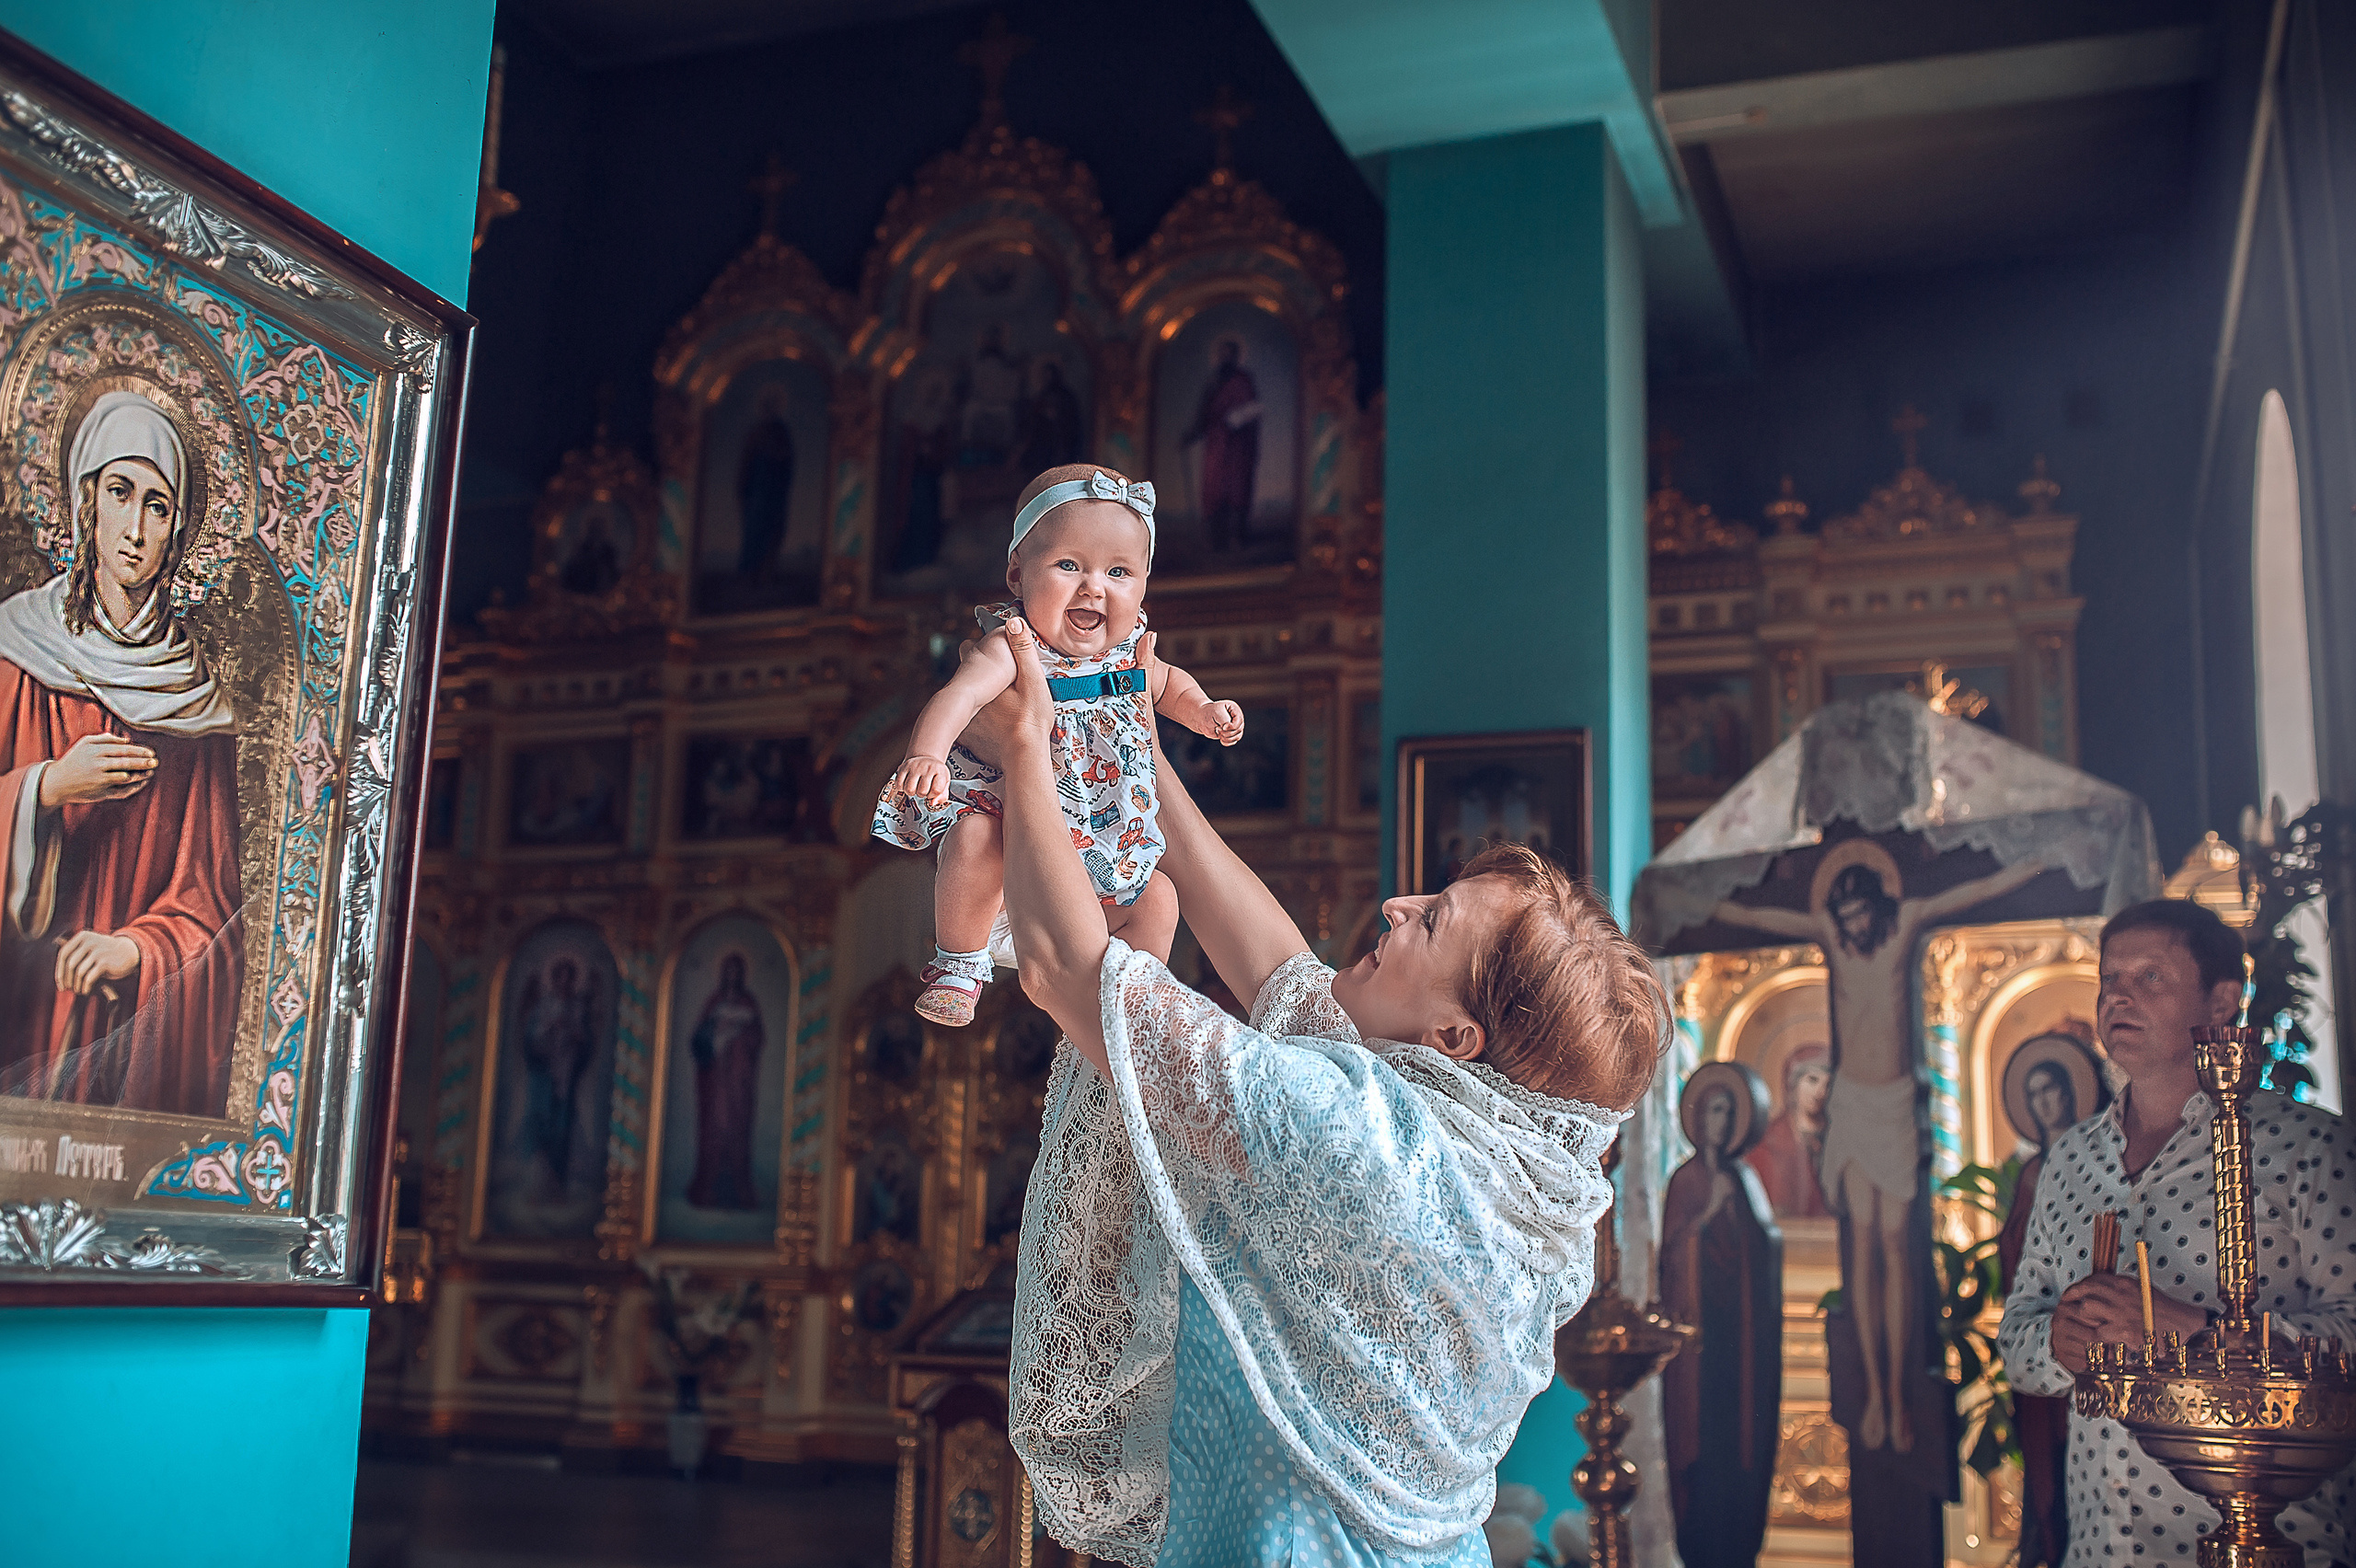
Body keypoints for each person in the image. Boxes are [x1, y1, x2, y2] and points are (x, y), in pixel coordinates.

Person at [980, 611, 1669, 1567]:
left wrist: (1023, 745)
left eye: (1431, 923)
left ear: (1456, 1037)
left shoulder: (1357, 1136)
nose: (1398, 904)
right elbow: (1280, 973)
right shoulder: (1483, 1160)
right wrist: (1130, 740)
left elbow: (1062, 971)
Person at [1997, 899, 2355, 1567]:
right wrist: (2056, 1341)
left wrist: (2188, 1331)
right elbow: (2017, 1337)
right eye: (2110, 980)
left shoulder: (2309, 1149)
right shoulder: (2067, 1162)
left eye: (2150, 978)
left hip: (2270, 1547)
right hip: (2099, 1549)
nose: (2119, 997)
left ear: (2222, 1002)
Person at [872, 465, 1245, 1026]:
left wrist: (1205, 712)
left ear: (1144, 585)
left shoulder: (1129, 654)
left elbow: (1170, 685)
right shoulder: (1012, 645)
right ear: (1018, 574)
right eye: (1069, 565)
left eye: (1119, 572)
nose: (1094, 586)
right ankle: (960, 962)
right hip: (1011, 852)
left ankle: (1130, 1009)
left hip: (1095, 857)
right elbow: (959, 696)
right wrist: (926, 753)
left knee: (1158, 898)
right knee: (974, 837)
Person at [1712, 840, 2045, 1454]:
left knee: (1895, 1247)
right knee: (1861, 1252)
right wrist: (1714, 899)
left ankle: (1897, 1390)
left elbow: (1963, 894)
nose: (1852, 924)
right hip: (1851, 1110)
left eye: (1860, 911)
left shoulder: (1902, 932)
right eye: (1843, 916)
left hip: (1892, 1107)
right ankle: (1878, 1397)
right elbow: (1768, 919)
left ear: (1878, 906)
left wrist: (2026, 865)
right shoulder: (1832, 941)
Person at [0, 389, 242, 1118]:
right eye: (120, 492)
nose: (135, 528)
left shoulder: (194, 701)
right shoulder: (17, 649)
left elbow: (213, 903)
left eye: (159, 506)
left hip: (112, 1023)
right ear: (86, 504)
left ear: (178, 531)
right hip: (18, 999)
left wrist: (137, 951)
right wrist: (43, 788)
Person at [1661, 1068, 1783, 1568]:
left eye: (1728, 1113)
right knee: (1701, 1446)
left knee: (1741, 1448)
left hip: (1742, 1342)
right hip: (1698, 1345)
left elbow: (1766, 1249)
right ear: (1698, 1118)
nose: (1720, 1121)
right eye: (1713, 1111)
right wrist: (1707, 1217)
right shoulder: (1686, 1182)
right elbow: (1671, 1256)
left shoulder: (1744, 1179)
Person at [684, 952, 764, 1211]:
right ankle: (708, 1191)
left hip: (738, 1082)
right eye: (727, 970)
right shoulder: (713, 1002)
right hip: (715, 1081)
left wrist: (738, 1038)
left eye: (735, 971)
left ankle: (737, 1193)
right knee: (714, 1130)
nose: (731, 975)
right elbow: (699, 1040)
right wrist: (716, 1034)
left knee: (736, 1133)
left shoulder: (749, 1002)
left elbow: (757, 1038)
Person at [1181, 336, 1263, 550]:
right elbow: (1203, 415)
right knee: (1214, 490)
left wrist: (1235, 419)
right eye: (1221, 353)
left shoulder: (1243, 381)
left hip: (1238, 449)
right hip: (1217, 447)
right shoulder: (1213, 381)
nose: (1224, 357)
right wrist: (1190, 436)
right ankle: (1216, 539)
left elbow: (1252, 409)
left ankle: (1238, 536)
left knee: (1236, 489)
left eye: (1229, 353)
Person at [1746, 1045, 1833, 1219]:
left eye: (1828, 1084)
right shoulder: (1768, 1141)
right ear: (1793, 1084)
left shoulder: (1838, 1139)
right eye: (1812, 1080)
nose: (1820, 1092)